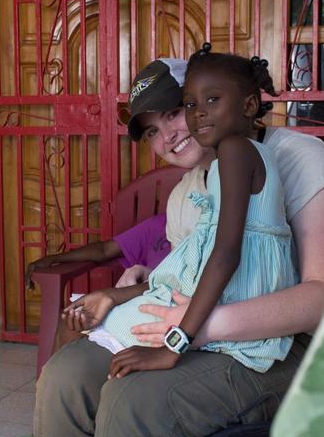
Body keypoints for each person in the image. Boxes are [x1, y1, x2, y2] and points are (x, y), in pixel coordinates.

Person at [34, 55, 324, 437]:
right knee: (65, 375)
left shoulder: (300, 157)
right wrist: (123, 293)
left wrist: (192, 331)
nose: (167, 136)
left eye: (173, 112)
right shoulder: (186, 194)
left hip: (294, 346)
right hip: (201, 329)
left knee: (131, 401)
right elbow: (195, 277)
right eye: (151, 132)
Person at [61, 45, 298, 380]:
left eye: (212, 100)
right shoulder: (218, 170)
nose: (198, 114)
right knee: (87, 327)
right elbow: (195, 267)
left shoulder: (234, 151)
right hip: (211, 299)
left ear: (248, 105)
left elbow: (226, 254)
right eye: (190, 105)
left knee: (89, 336)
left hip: (232, 306)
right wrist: (116, 294)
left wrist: (173, 346)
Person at [25, 213, 169, 290]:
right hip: (140, 300)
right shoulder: (159, 224)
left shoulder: (191, 237)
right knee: (71, 322)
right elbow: (105, 249)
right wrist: (54, 258)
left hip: (177, 306)